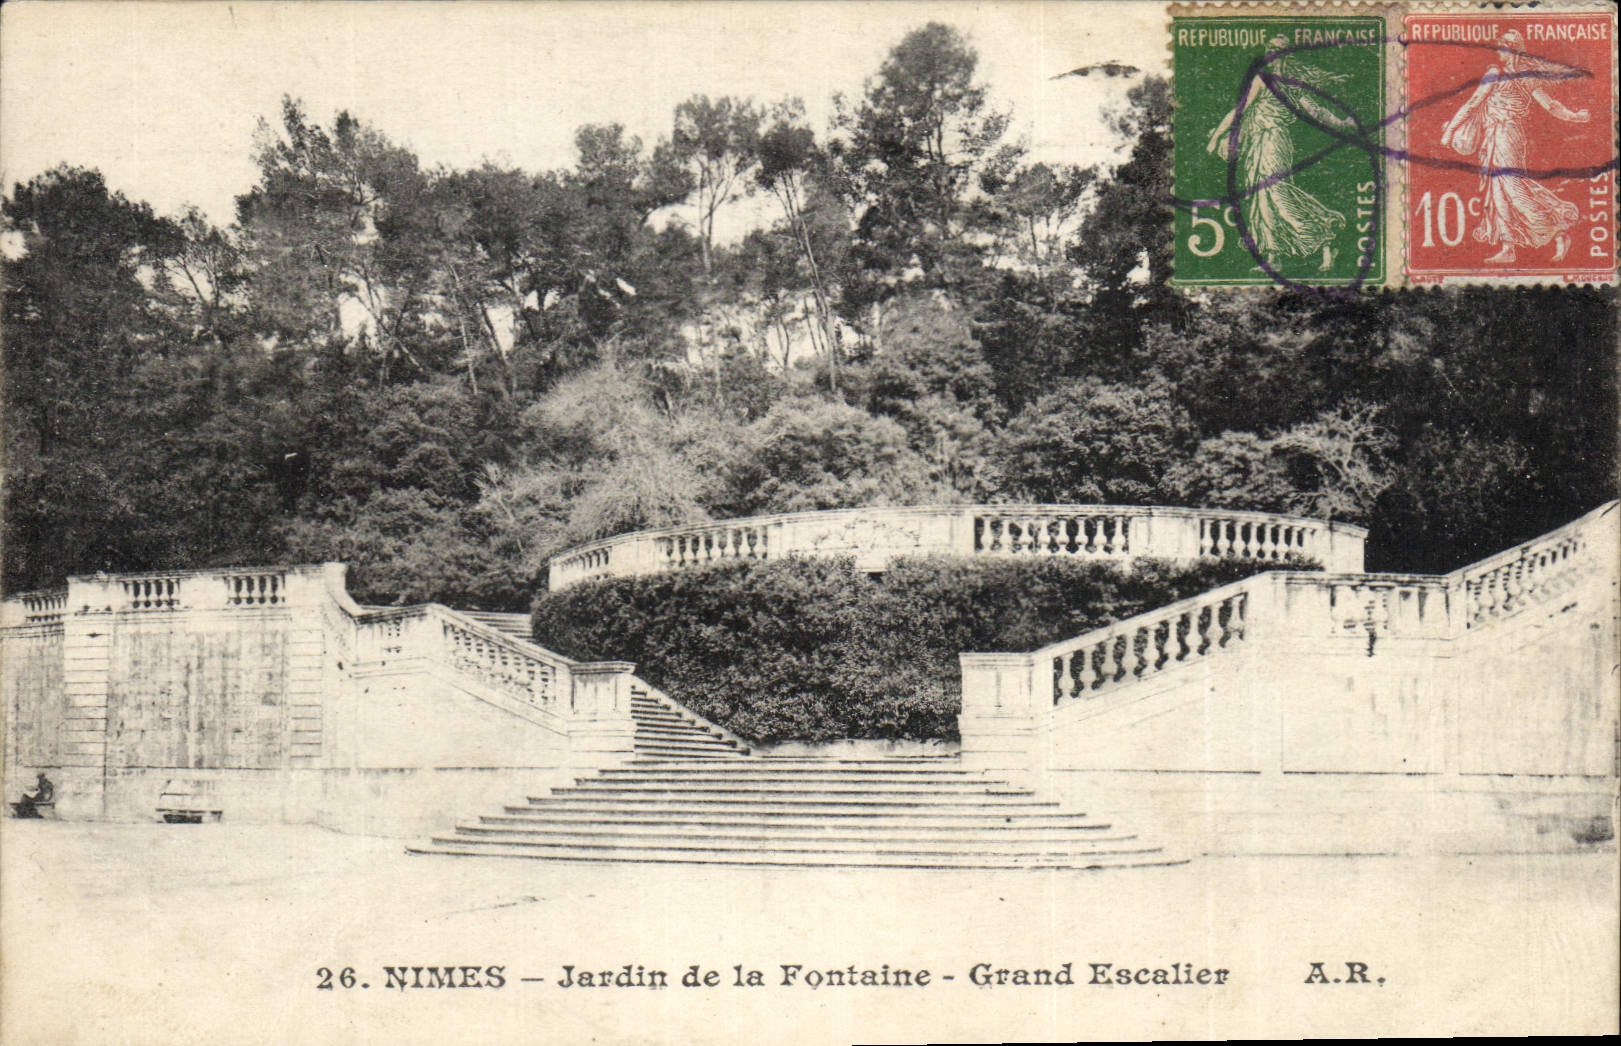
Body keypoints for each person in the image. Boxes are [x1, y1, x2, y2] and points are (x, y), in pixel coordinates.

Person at [1207, 35, 1357, 272]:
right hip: (1257, 142)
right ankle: (1274, 256)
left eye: (1278, 50)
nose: (1273, 54)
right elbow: (1240, 110)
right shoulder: (1262, 79)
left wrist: (1342, 123)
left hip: (1275, 141)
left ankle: (1324, 237)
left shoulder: (1290, 83)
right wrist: (1217, 136)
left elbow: (1315, 111)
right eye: (1270, 49)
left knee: (1276, 193)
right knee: (1261, 198)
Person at [1440, 29, 1590, 264]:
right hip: (1496, 135)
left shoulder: (1499, 73)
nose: (1499, 50)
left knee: (1512, 188)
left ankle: (1555, 229)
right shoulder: (1520, 75)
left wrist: (1449, 132)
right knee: (1498, 191)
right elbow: (1549, 105)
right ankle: (1508, 247)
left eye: (1502, 46)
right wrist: (1575, 116)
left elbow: (1472, 104)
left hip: (1506, 134)